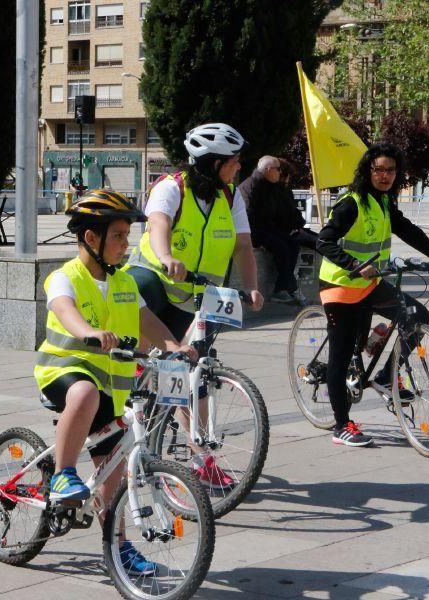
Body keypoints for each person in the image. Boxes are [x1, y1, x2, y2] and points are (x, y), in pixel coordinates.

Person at [34, 189, 196, 575]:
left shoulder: (125, 283)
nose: (127, 244)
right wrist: (89, 331)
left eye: (127, 236)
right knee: (85, 390)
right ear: (92, 238)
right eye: (119, 236)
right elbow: (65, 311)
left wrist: (174, 345)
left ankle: (117, 548)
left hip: (112, 390)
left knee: (111, 473)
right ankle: (62, 475)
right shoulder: (64, 277)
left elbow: (147, 322)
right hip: (65, 372)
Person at [124, 123, 264, 486]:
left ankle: (201, 457)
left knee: (195, 369)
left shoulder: (231, 197)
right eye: (233, 161)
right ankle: (132, 394)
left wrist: (251, 288)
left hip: (200, 293)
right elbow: (157, 224)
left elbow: (243, 246)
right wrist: (167, 255)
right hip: (156, 281)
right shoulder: (172, 188)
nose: (239, 168)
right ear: (212, 163)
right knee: (144, 326)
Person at [315, 143, 429, 447]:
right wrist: (353, 264)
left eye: (390, 170)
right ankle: (342, 425)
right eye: (378, 169)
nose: (384, 175)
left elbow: (405, 228)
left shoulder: (383, 202)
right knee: (339, 358)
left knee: (417, 316)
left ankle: (385, 376)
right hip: (340, 287)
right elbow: (324, 241)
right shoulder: (351, 203)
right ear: (368, 171)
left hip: (370, 284)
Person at [240, 155, 309, 306]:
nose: (280, 172)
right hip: (255, 232)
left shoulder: (270, 186)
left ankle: (282, 287)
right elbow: (249, 216)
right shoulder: (252, 186)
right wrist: (256, 241)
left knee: (293, 243)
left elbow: (279, 212)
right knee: (282, 248)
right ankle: (290, 287)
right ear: (268, 170)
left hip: (267, 228)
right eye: (278, 170)